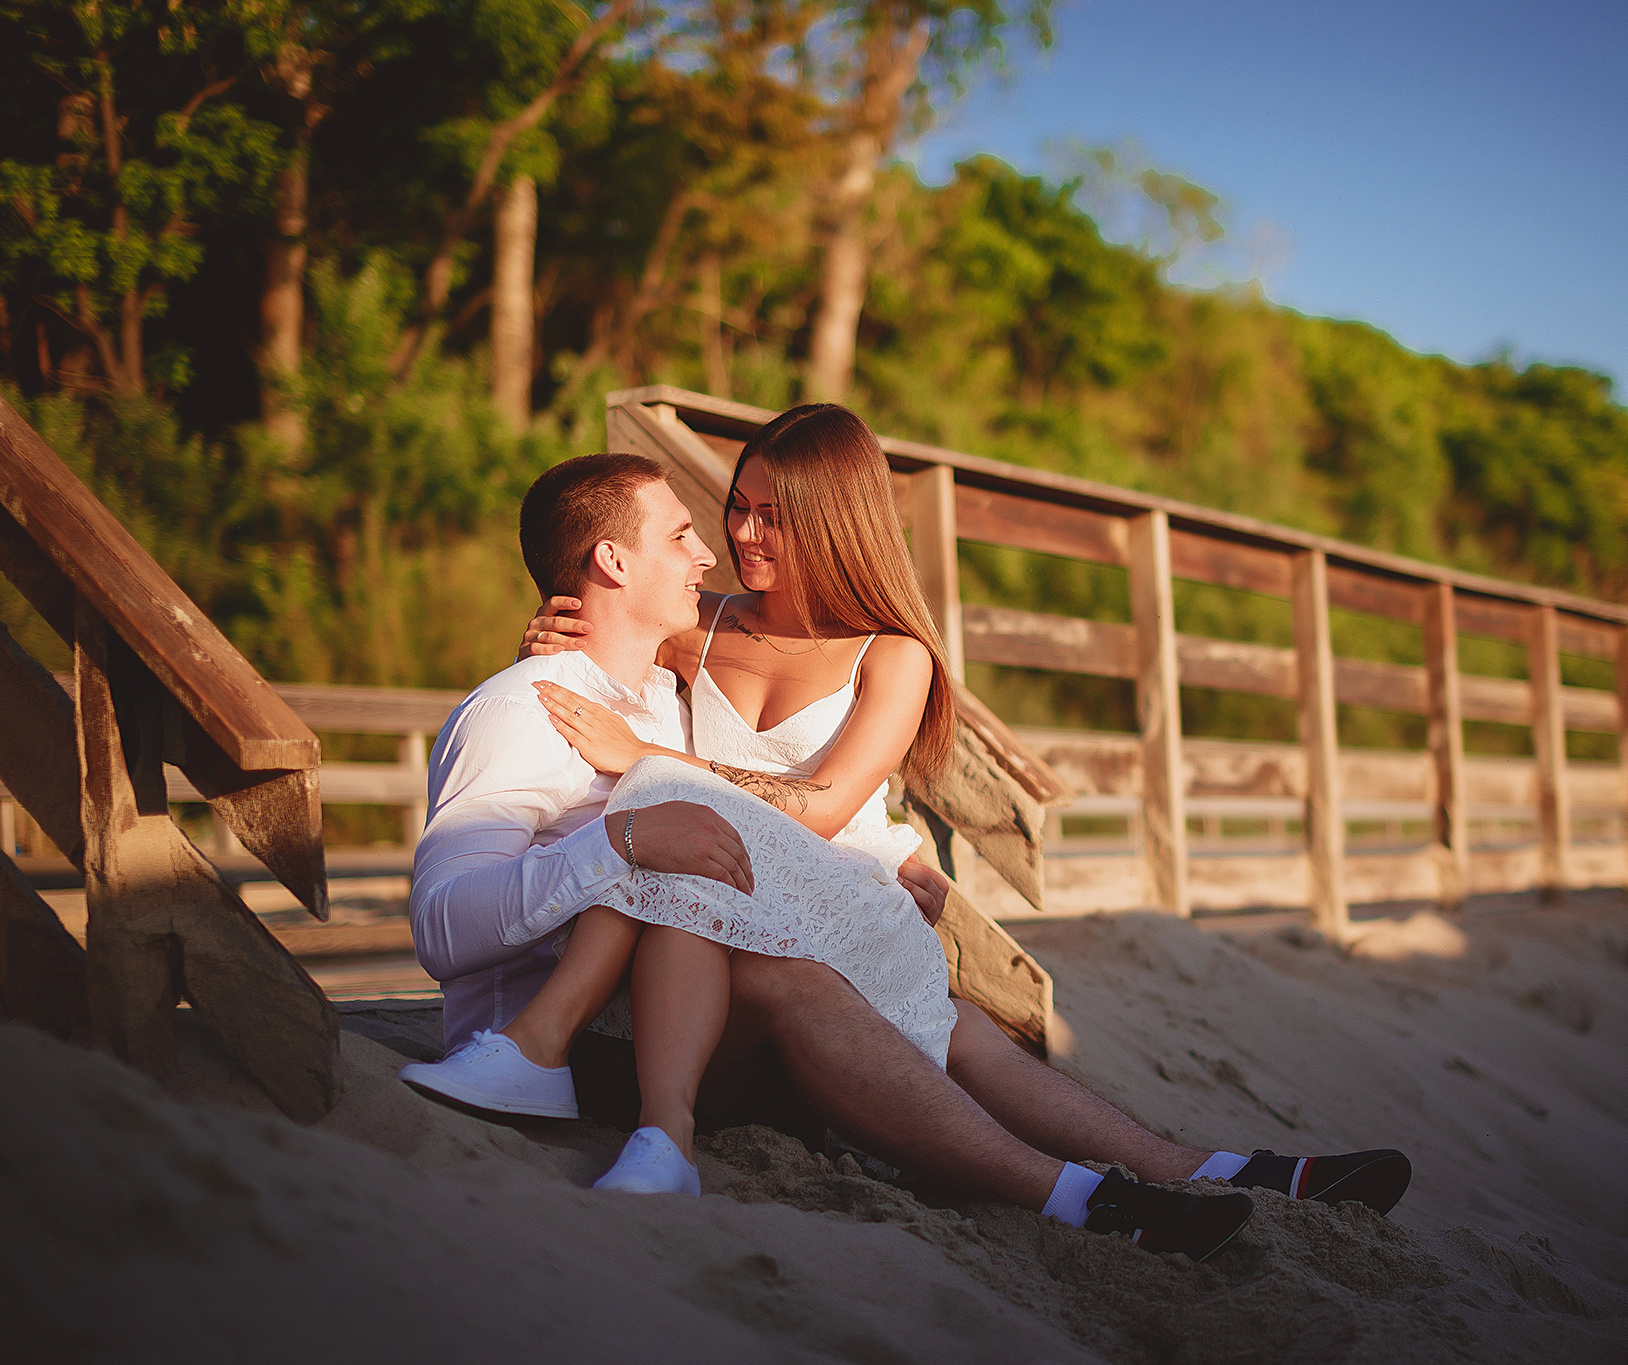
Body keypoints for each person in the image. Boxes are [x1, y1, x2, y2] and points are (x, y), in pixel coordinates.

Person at [405, 414, 1411, 1251]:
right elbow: (605, 623)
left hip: (802, 877)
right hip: (728, 927)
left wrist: (657, 766)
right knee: (864, 998)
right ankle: (1092, 1196)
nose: (743, 538)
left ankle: (1207, 1169)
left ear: (836, 524)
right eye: (736, 509)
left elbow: (827, 807)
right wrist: (550, 634)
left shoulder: (893, 658)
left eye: (773, 517)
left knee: (948, 1025)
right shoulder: (697, 623)